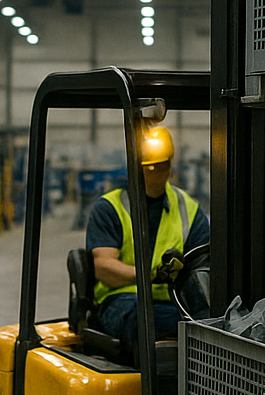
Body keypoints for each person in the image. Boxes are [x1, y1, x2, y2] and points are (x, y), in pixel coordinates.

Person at [86, 124, 209, 344]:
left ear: (170, 164)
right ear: (134, 167)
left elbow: (204, 265)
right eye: (149, 167)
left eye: (161, 165)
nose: (154, 172)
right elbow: (104, 268)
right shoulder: (109, 207)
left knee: (209, 319)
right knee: (147, 318)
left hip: (172, 301)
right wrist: (150, 275)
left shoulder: (189, 209)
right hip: (121, 300)